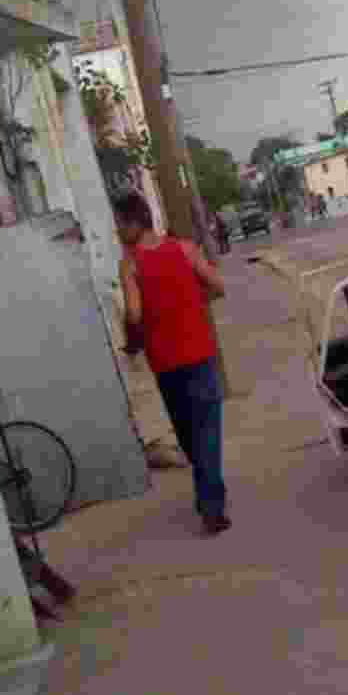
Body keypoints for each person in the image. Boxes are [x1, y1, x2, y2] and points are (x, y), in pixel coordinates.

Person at [114, 191, 231, 535]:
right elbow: (218, 286)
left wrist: (133, 341)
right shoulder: (185, 249)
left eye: (119, 225)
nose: (117, 232)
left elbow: (134, 314)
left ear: (134, 223)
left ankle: (210, 502)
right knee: (206, 430)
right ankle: (210, 499)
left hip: (165, 362)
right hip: (198, 354)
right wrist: (192, 301)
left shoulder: (130, 264)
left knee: (189, 433)